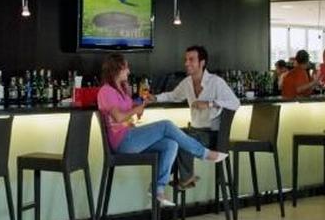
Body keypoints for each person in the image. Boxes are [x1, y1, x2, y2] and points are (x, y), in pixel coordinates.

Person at [97, 55, 227, 207]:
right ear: (116, 69)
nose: (129, 71)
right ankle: (204, 153)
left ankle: (157, 188)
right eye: (126, 67)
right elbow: (118, 117)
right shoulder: (106, 91)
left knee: (171, 144)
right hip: (122, 142)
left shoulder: (121, 89)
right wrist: (135, 110)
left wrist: (139, 104)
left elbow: (129, 108)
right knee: (166, 125)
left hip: (130, 136)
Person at [150, 45, 240, 188]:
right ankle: (171, 179)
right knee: (171, 136)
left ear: (202, 63)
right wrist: (155, 98)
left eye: (191, 59)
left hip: (212, 135)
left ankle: (179, 178)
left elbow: (235, 103)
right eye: (186, 60)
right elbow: (173, 96)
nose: (186, 63)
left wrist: (209, 104)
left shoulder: (216, 82)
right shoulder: (187, 82)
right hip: (195, 131)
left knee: (182, 139)